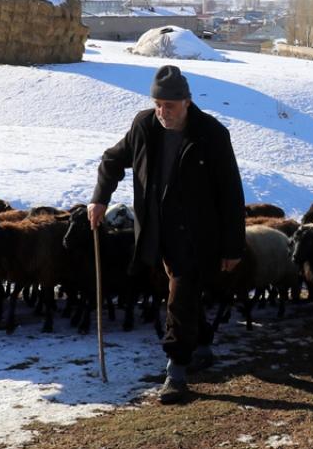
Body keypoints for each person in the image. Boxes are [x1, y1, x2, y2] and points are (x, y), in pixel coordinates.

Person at [88, 64, 245, 404]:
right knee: (182, 292)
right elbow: (113, 159)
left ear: (187, 102)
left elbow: (231, 192)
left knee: (181, 292)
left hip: (197, 234)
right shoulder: (144, 126)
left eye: (169, 106)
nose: (163, 112)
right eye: (158, 104)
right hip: (157, 231)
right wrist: (100, 198)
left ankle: (176, 370)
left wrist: (233, 245)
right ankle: (202, 343)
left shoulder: (212, 135)